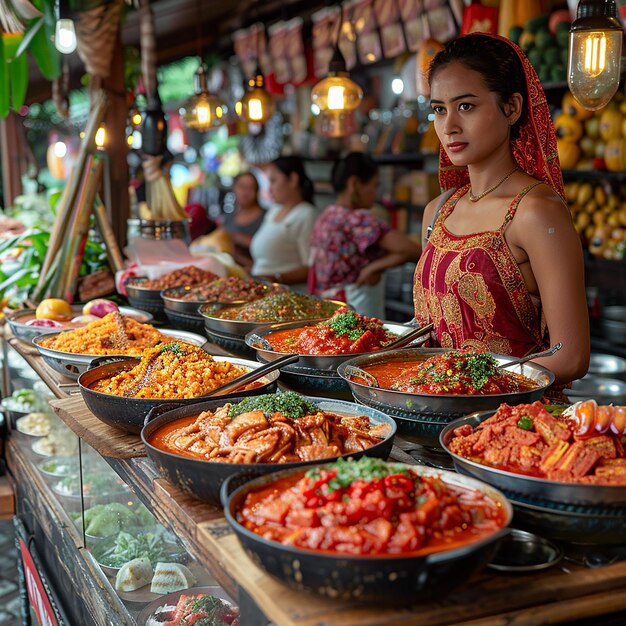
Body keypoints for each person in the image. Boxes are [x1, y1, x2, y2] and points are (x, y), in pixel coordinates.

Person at [413, 33, 589, 386]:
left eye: (466, 106)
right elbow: (430, 333)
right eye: (439, 109)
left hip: (511, 421)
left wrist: (467, 384)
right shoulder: (438, 211)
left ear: (512, 108)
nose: (448, 127)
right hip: (433, 409)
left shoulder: (535, 212)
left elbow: (570, 355)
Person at [309, 152, 420, 319]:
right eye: (374, 185)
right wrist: (374, 268)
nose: (376, 193)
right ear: (354, 183)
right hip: (355, 308)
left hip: (326, 308)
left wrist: (373, 267)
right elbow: (414, 250)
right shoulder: (358, 220)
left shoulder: (327, 214)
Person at [250, 156, 317, 290]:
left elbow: (311, 267)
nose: (270, 189)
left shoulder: (306, 214)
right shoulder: (274, 210)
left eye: (273, 181)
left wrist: (275, 278)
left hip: (288, 297)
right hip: (262, 291)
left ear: (293, 179)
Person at [218, 172, 264, 271]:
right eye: (242, 186)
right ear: (234, 188)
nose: (245, 192)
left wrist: (240, 238)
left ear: (257, 191)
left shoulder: (266, 217)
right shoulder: (229, 217)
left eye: (250, 188)